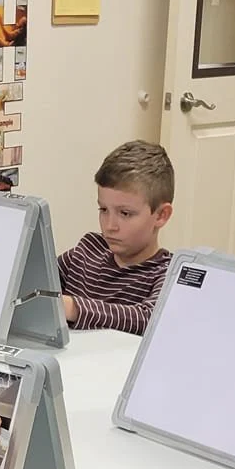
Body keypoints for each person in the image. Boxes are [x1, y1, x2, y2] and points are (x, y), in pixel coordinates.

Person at [58, 140, 174, 334]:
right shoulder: (86, 252)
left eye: (125, 214)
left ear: (161, 215)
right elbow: (34, 284)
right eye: (103, 209)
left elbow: (148, 319)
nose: (110, 226)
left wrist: (73, 308)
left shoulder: (168, 274)